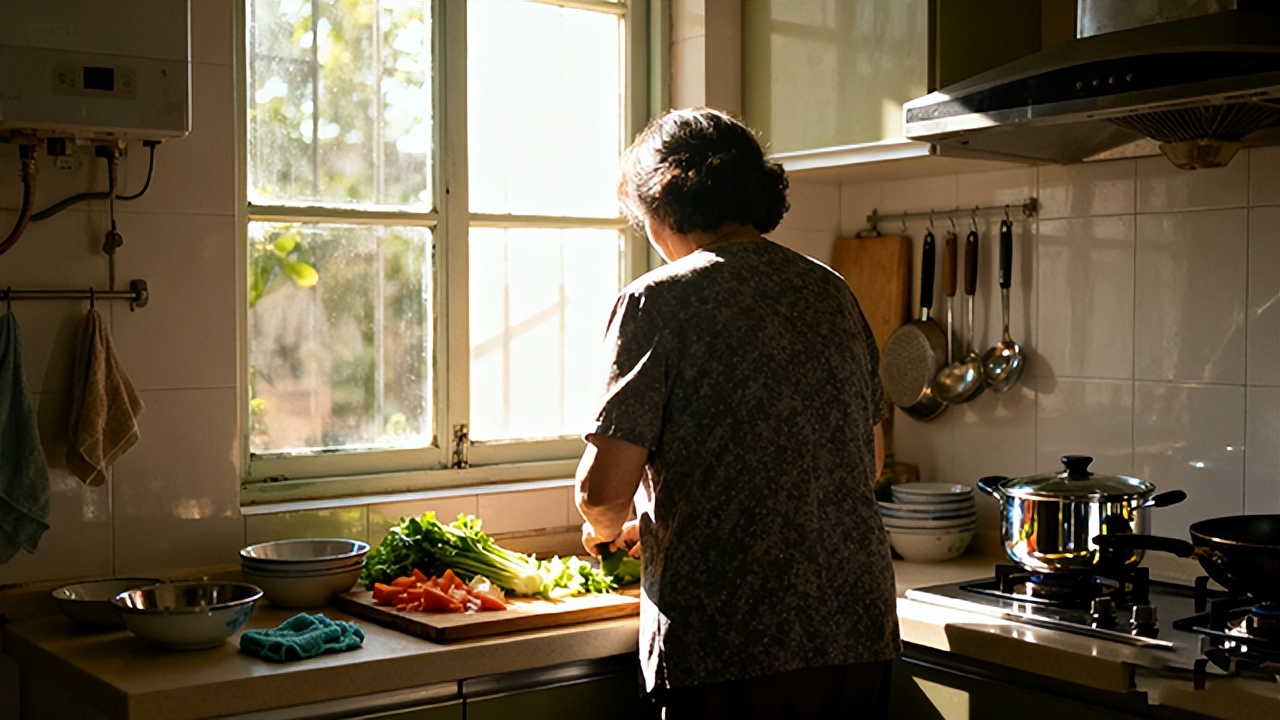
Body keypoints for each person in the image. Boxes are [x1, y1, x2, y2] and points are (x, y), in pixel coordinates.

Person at [574, 107, 901, 719]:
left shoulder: (656, 300)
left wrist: (603, 527)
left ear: (661, 208)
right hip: (857, 631)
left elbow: (604, 491)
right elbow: (870, 461)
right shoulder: (830, 290)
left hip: (732, 641)